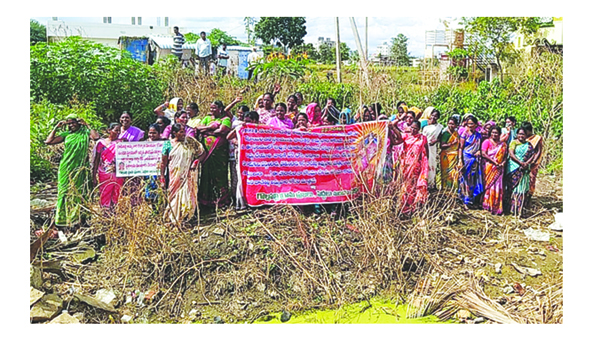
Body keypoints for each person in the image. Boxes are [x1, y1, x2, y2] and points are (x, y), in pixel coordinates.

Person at [44, 115, 99, 228]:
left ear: (78, 122)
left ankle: (79, 218)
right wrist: (56, 127)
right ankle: (62, 219)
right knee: (64, 192)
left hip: (81, 168)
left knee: (80, 192)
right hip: (66, 167)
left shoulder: (85, 132)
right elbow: (48, 141)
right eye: (69, 123)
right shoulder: (67, 135)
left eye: (73, 122)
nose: (71, 125)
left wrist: (87, 124)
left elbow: (96, 137)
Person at [161, 124, 206, 224]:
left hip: (189, 174)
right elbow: (163, 163)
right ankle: (173, 218)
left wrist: (196, 162)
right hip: (175, 176)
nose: (183, 134)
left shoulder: (190, 142)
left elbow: (202, 153)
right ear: (174, 133)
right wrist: (162, 177)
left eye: (184, 131)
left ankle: (186, 218)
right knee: (173, 196)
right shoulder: (168, 145)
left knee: (188, 194)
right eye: (180, 132)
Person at [195, 100, 232, 207]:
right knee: (206, 174)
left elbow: (222, 131)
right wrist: (210, 128)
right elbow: (198, 128)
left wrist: (206, 131)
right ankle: (205, 200)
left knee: (219, 175)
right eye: (211, 108)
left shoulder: (226, 119)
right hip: (206, 152)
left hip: (219, 154)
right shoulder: (207, 118)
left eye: (214, 108)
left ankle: (221, 200)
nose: (212, 110)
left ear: (220, 108)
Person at [389, 120, 429, 214]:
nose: (413, 130)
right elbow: (398, 138)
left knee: (414, 185)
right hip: (406, 165)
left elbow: (426, 152)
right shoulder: (406, 136)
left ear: (419, 129)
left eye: (416, 128)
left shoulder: (422, 138)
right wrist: (393, 127)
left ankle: (414, 207)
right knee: (405, 185)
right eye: (412, 127)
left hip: (417, 166)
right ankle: (404, 207)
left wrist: (426, 165)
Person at [227, 111, 259, 210]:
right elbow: (229, 137)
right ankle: (241, 202)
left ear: (255, 121)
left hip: (256, 159)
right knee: (241, 178)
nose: (247, 123)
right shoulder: (241, 128)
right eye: (246, 121)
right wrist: (239, 142)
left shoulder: (261, 129)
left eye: (249, 121)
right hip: (242, 157)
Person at [92, 123, 124, 210]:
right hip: (104, 173)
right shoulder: (101, 143)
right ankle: (105, 215)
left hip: (118, 173)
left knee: (117, 194)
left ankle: (115, 215)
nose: (118, 133)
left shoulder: (122, 142)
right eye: (116, 130)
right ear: (109, 130)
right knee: (105, 193)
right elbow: (96, 160)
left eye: (119, 131)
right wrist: (93, 175)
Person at [506, 128, 535, 216]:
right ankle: (511, 209)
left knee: (522, 189)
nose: (521, 136)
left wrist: (526, 163)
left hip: (524, 169)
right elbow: (511, 154)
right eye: (519, 134)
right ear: (516, 134)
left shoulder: (529, 145)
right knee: (513, 188)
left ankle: (520, 209)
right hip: (514, 167)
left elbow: (532, 155)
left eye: (523, 134)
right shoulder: (513, 143)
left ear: (526, 136)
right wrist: (520, 163)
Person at [458, 115, 484, 208]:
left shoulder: (478, 135)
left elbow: (480, 147)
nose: (470, 126)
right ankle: (464, 199)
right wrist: (460, 160)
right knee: (464, 179)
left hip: (474, 159)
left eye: (472, 124)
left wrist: (479, 151)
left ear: (476, 124)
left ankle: (471, 200)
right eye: (468, 124)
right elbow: (460, 148)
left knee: (473, 179)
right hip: (466, 158)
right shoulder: (464, 134)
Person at [481, 126, 508, 215]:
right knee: (489, 186)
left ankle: (496, 207)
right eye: (493, 132)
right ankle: (487, 205)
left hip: (499, 168)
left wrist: (502, 163)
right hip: (489, 167)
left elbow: (505, 156)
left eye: (496, 133)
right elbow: (483, 153)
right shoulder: (486, 142)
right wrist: (494, 162)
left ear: (500, 134)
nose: (494, 134)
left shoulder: (503, 145)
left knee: (498, 187)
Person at [143, 124, 166, 207]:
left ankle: (159, 209)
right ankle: (151, 209)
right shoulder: (144, 144)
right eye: (150, 133)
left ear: (159, 133)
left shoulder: (164, 143)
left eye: (154, 133)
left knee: (159, 191)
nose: (151, 135)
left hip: (159, 172)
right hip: (148, 171)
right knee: (149, 191)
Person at [422, 109, 444, 190]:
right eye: (432, 115)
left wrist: (435, 141)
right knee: (425, 164)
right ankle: (424, 183)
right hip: (424, 147)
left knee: (432, 165)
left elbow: (440, 138)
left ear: (438, 117)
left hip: (432, 148)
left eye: (436, 116)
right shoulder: (424, 125)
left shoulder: (439, 127)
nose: (434, 117)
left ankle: (431, 184)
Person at [522, 121, 543, 207]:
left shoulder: (536, 138)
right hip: (523, 162)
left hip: (532, 164)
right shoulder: (522, 138)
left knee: (531, 180)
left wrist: (532, 160)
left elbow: (538, 151)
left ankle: (528, 199)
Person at [439, 117, 460, 191]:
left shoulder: (456, 134)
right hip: (446, 156)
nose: (451, 125)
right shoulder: (445, 134)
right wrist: (451, 143)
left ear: (456, 125)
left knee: (454, 174)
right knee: (446, 174)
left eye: (453, 124)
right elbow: (442, 145)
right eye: (449, 123)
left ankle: (453, 190)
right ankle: (445, 190)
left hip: (454, 156)